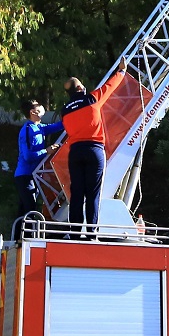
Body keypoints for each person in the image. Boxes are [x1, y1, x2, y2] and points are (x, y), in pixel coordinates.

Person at [61, 77, 104, 232]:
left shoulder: (64, 110)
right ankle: (92, 232)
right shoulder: (91, 98)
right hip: (94, 149)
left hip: (76, 152)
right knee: (93, 193)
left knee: (77, 192)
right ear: (80, 88)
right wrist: (121, 71)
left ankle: (75, 232)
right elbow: (111, 86)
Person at [13, 99, 63, 220]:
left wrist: (69, 115)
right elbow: (28, 156)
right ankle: (26, 237)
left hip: (34, 176)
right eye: (38, 106)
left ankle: (18, 236)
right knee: (30, 208)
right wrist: (47, 151)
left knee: (24, 209)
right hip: (25, 176)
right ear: (33, 112)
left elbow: (57, 126)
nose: (41, 107)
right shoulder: (28, 130)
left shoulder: (39, 127)